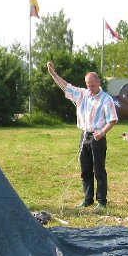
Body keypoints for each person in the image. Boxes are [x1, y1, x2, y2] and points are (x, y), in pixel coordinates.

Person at [46, 63, 118, 209]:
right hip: (84, 135)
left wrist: (102, 132)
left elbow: (113, 119)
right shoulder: (82, 94)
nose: (90, 88)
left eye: (92, 85)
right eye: (88, 85)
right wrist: (52, 72)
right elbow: (65, 86)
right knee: (85, 169)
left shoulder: (106, 99)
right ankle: (87, 198)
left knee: (99, 170)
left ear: (98, 82)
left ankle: (102, 201)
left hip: (98, 136)